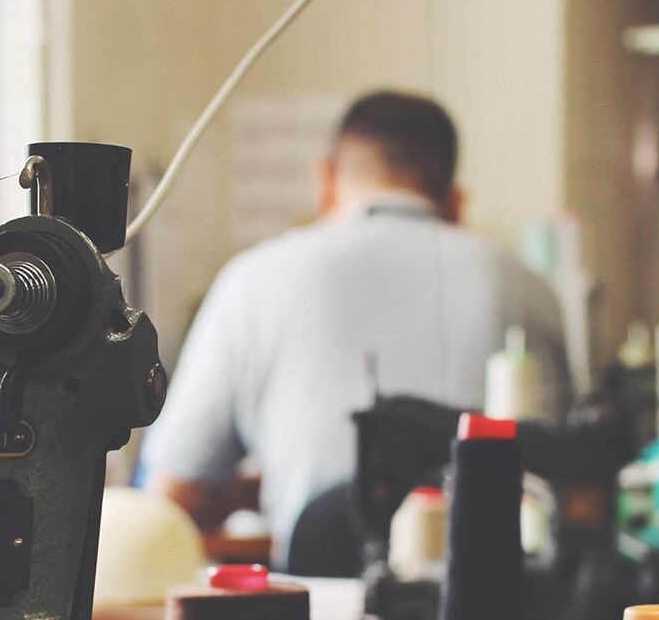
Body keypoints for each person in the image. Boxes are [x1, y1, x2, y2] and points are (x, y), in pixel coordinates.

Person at [142, 90, 570, 563]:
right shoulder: (527, 286)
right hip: (495, 588)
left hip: (318, 597)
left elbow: (175, 495)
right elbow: (564, 477)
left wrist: (269, 488)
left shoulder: (251, 281)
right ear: (454, 202)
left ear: (324, 181)